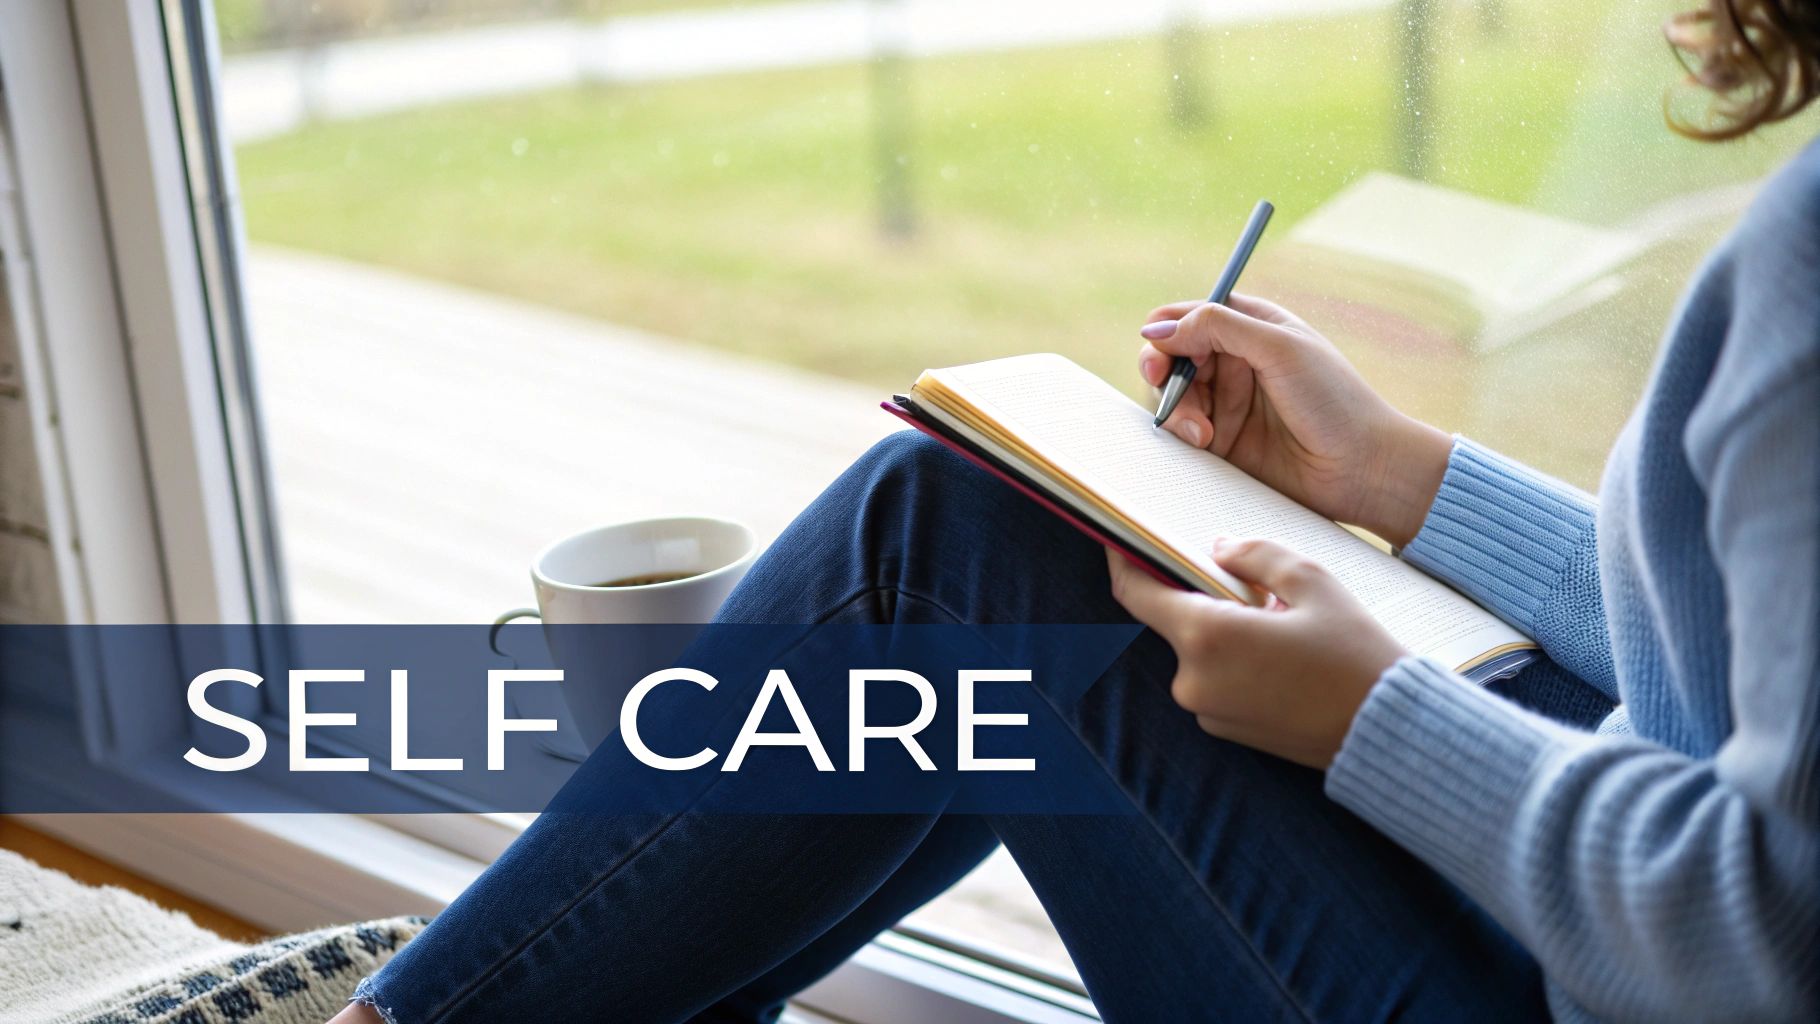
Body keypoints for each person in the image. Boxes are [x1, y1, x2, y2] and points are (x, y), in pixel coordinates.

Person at [334, 2, 1819, 1020]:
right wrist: (1396, 479)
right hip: (1631, 882)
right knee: (991, 542)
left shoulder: (1803, 291)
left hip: (1638, 971)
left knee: (949, 548)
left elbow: (1764, 939)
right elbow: (1737, 666)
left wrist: (1369, 718)